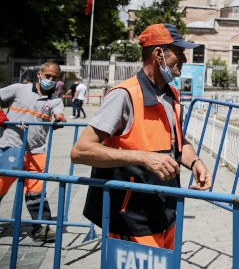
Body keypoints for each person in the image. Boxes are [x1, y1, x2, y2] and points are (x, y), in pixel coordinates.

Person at [71, 23, 212, 250]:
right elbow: (80, 151)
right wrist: (143, 157)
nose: (185, 60)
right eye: (179, 52)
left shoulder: (171, 94)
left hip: (165, 212)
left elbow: (177, 141)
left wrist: (195, 161)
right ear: (159, 54)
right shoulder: (124, 95)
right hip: (131, 218)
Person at [0, 62, 66, 242]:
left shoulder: (55, 100)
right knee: (0, 186)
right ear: (39, 75)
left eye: (54, 78)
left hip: (37, 151)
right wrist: (1, 117)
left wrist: (59, 119)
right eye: (48, 76)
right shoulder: (19, 89)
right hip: (11, 146)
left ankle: (40, 228)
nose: (50, 80)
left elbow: (59, 113)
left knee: (37, 191)